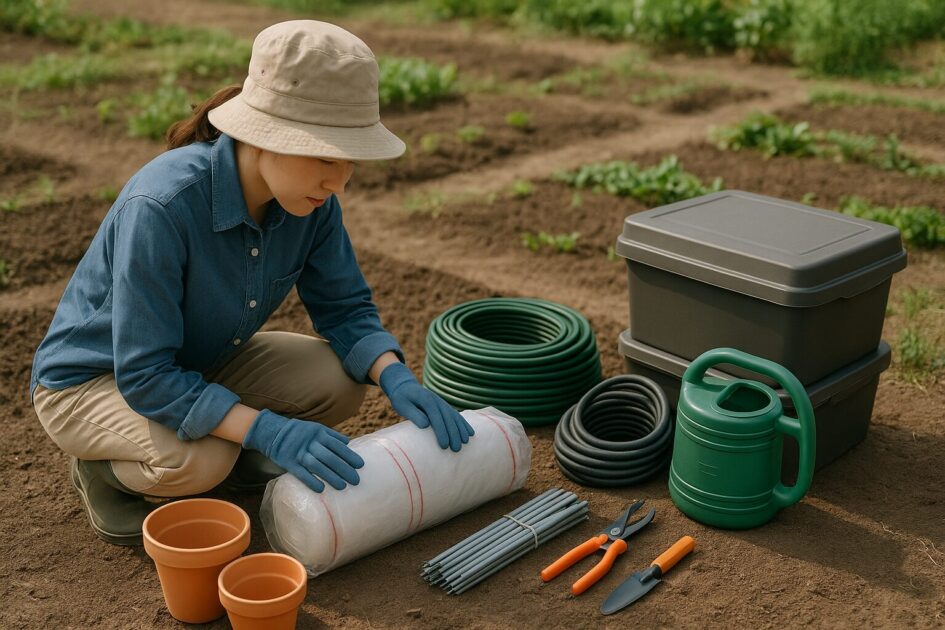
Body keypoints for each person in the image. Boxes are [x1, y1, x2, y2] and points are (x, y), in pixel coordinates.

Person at [29, 20, 474, 547]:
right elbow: (145, 374)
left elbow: (345, 307)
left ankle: (231, 442)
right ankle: (101, 473)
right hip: (95, 382)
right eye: (326, 157)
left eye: (349, 160)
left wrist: (396, 377)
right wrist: (266, 429)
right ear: (265, 136)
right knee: (200, 461)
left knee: (341, 379)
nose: (339, 182)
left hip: (196, 361)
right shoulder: (163, 207)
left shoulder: (310, 201)